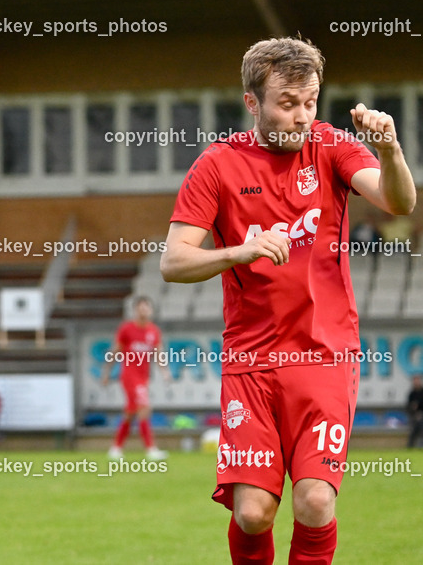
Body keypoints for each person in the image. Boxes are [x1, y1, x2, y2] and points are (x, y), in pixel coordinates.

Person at [161, 37, 416, 564]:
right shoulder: (217, 164)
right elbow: (174, 262)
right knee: (252, 512)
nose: (301, 116)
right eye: (287, 103)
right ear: (253, 102)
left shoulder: (332, 146)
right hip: (251, 361)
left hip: (325, 355)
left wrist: (391, 150)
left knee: (316, 499)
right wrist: (241, 250)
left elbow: (398, 200)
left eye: (310, 101)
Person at [101, 296, 170, 461]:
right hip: (129, 376)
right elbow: (115, 351)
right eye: (140, 307)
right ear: (135, 310)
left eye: (146, 307)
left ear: (151, 310)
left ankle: (116, 448)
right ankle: (151, 449)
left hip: (143, 377)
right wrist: (106, 372)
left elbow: (159, 354)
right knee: (144, 408)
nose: (144, 310)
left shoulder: (154, 331)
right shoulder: (126, 329)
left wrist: (164, 371)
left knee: (130, 413)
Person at [408, 375, 423, 448]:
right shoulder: (412, 394)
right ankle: (410, 447)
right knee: (413, 429)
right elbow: (408, 406)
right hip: (414, 416)